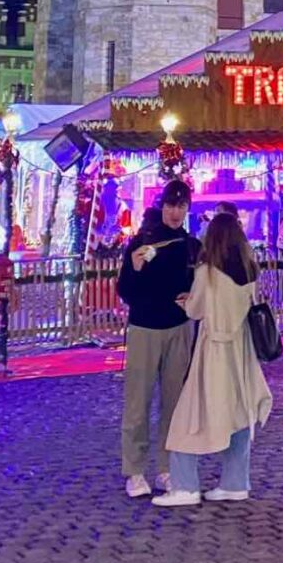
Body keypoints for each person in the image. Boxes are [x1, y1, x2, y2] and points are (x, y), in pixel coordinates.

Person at [154, 205, 273, 508]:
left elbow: (196, 309)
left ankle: (185, 485)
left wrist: (186, 302)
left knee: (189, 417)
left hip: (214, 351)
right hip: (240, 350)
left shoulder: (208, 271)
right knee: (238, 416)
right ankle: (235, 482)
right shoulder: (249, 270)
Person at [117, 180, 199, 498]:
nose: (175, 212)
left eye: (181, 206)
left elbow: (199, 286)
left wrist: (192, 298)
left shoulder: (191, 247)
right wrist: (135, 269)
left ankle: (167, 467)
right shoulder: (141, 242)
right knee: (138, 402)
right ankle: (134, 470)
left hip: (178, 328)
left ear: (187, 208)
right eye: (171, 205)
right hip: (145, 328)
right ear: (162, 206)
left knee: (174, 403)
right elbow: (125, 290)